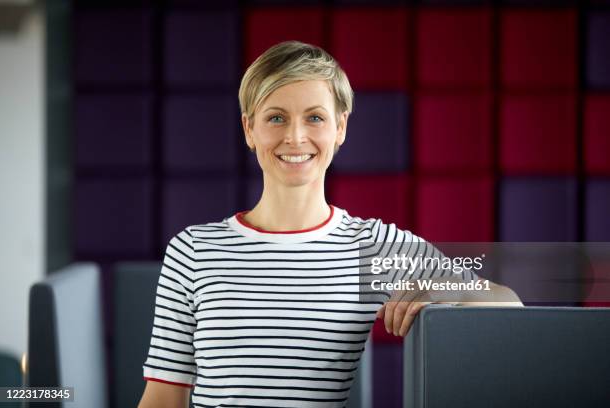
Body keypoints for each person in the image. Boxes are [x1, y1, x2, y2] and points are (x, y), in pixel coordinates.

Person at [137, 40, 522, 408]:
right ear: (249, 129)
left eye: (315, 118)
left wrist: (443, 290)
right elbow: (163, 398)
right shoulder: (194, 249)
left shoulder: (374, 247)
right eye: (276, 118)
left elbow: (510, 305)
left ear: (340, 127)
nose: (295, 136)